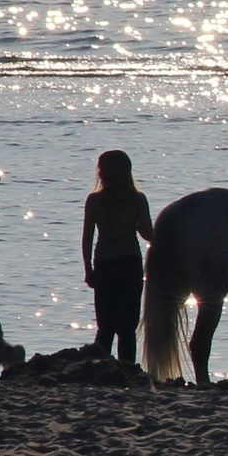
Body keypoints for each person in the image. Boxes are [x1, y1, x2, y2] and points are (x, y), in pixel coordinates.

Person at [82, 150, 153, 365]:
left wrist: (88, 270)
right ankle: (127, 370)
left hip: (104, 264)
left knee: (105, 326)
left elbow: (87, 239)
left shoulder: (95, 200)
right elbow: (148, 234)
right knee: (127, 328)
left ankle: (101, 369)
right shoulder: (138, 199)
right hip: (130, 263)